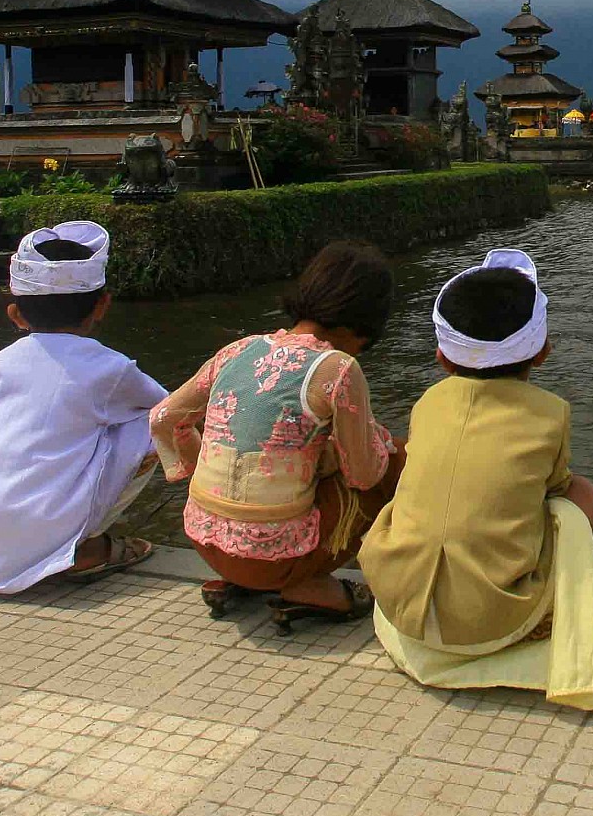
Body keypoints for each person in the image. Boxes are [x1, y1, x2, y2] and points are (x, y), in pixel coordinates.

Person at [356, 248, 593, 709]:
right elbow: (555, 489)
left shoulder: (428, 402)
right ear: (544, 352)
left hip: (399, 605)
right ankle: (547, 621)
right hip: (487, 625)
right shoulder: (551, 413)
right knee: (582, 504)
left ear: (441, 356)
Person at [150, 241, 404, 630]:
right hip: (277, 557)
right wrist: (375, 446)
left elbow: (164, 418)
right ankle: (307, 584)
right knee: (393, 459)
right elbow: (363, 476)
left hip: (204, 539)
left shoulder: (238, 349)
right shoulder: (337, 369)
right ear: (363, 324)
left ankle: (241, 573)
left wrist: (196, 467)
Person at [0, 222, 161, 594]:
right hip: (48, 518)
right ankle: (87, 546)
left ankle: (43, 541)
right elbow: (172, 409)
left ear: (15, 314)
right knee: (154, 422)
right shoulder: (111, 366)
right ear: (102, 306)